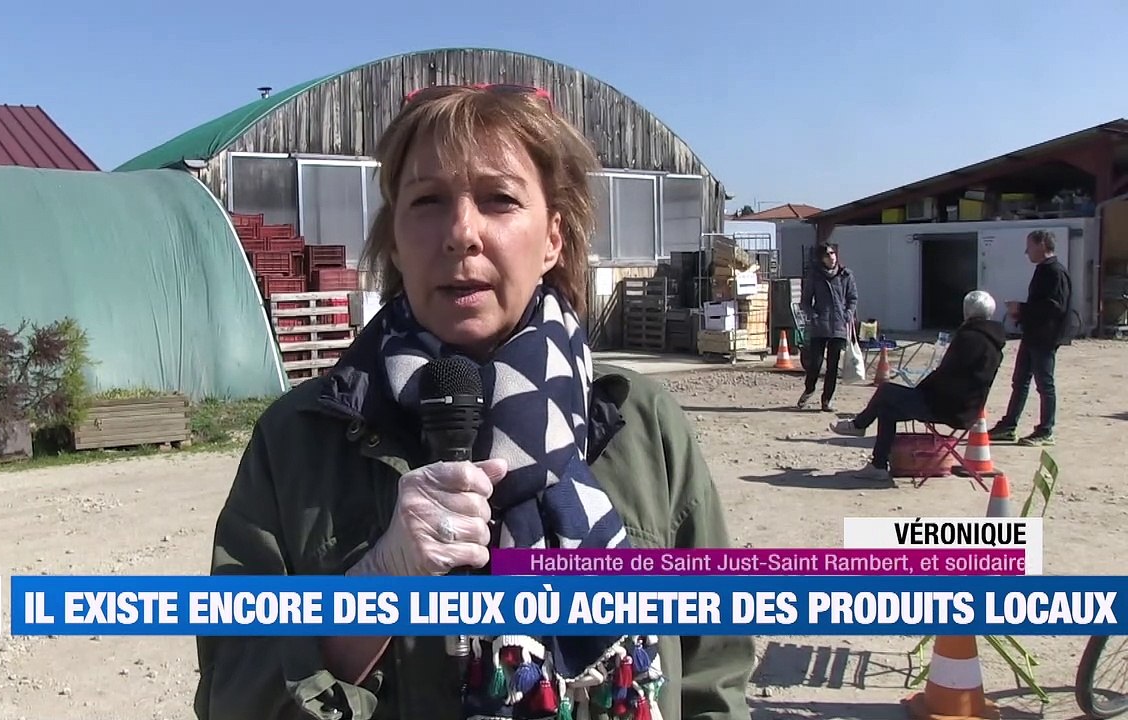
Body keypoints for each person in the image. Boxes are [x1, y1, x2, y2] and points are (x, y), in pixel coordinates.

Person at [193, 84, 754, 720]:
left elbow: (714, 671)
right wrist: (380, 581)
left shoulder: (644, 424)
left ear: (553, 238)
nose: (461, 233)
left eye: (500, 199)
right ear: (396, 240)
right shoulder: (298, 439)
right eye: (428, 201)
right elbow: (235, 693)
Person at [829, 290, 1006, 482]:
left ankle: (859, 426)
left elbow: (947, 376)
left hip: (948, 407)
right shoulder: (992, 343)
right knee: (887, 408)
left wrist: (923, 389)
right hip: (963, 406)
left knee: (886, 391)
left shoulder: (970, 339)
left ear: (967, 312)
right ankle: (877, 465)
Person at [988, 229, 1072, 446]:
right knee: (1020, 382)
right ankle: (1009, 426)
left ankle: (1046, 430)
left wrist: (1022, 308)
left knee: (1045, 384)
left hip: (1045, 338)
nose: (1026, 252)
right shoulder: (1043, 270)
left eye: (1030, 246)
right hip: (1033, 335)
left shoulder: (1055, 272)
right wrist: (1021, 313)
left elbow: (1055, 308)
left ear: (1042, 244)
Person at [797, 243, 858, 412]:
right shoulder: (815, 276)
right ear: (821, 259)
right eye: (827, 255)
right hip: (820, 326)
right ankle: (809, 389)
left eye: (832, 253)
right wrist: (813, 316)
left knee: (833, 366)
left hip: (839, 326)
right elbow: (805, 301)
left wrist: (848, 314)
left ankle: (827, 400)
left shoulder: (846, 275)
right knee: (815, 364)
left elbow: (853, 298)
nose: (831, 257)